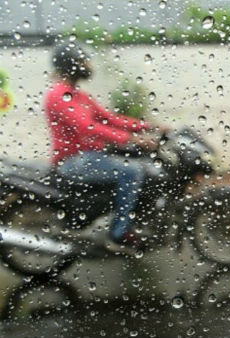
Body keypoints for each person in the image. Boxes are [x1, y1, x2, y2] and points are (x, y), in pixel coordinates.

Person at [45, 42, 159, 247]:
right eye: (83, 61)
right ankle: (119, 232)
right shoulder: (60, 95)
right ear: (71, 64)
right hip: (73, 162)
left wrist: (148, 126)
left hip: (89, 157)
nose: (89, 65)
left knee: (137, 163)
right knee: (132, 171)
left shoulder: (80, 96)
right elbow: (87, 127)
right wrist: (132, 139)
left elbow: (109, 119)